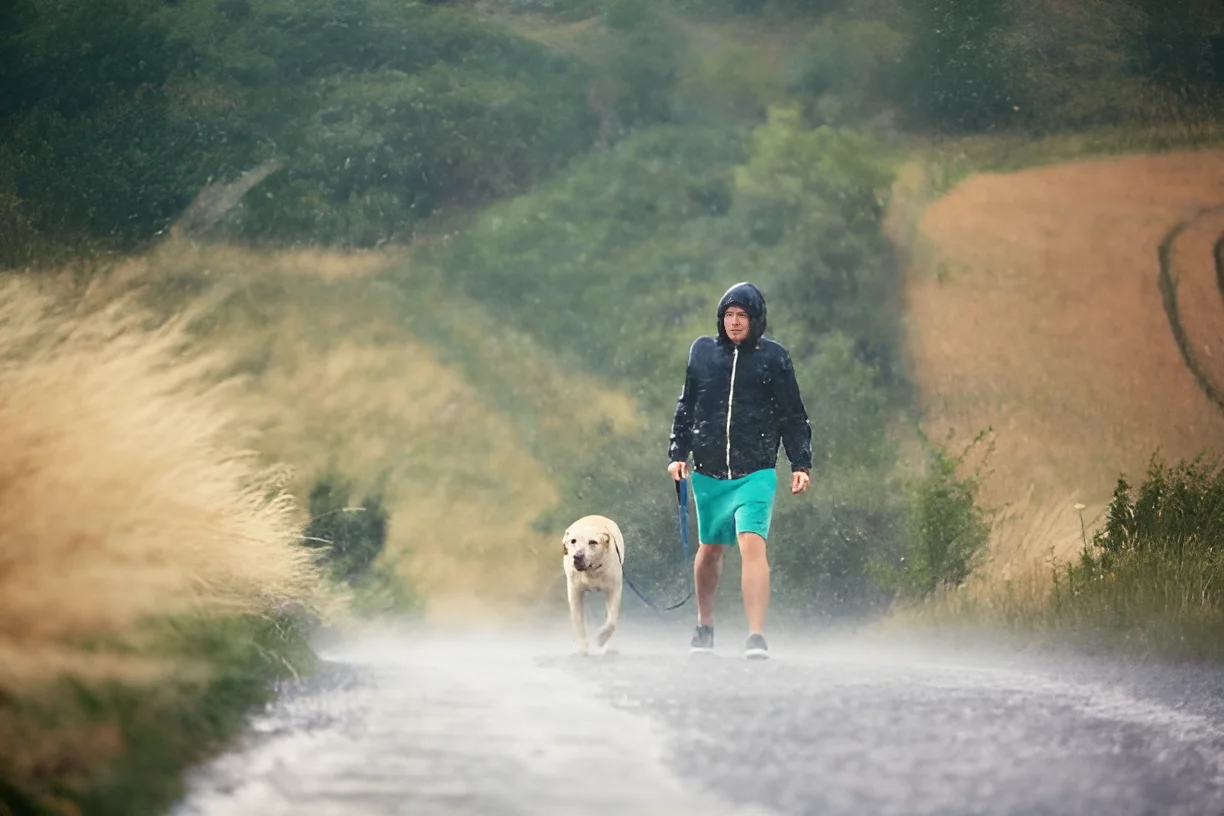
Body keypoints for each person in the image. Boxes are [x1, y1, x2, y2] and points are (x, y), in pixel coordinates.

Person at [667, 281, 812, 660]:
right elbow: (687, 406)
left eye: (742, 316)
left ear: (755, 320)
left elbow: (793, 415)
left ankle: (756, 636)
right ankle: (704, 624)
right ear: (721, 319)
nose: (734, 322)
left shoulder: (774, 358)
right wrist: (677, 453)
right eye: (728, 315)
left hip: (757, 471)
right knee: (710, 549)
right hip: (710, 470)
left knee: (752, 543)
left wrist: (801, 463)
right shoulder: (702, 352)